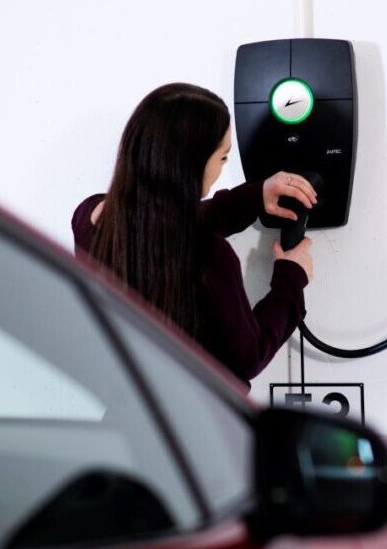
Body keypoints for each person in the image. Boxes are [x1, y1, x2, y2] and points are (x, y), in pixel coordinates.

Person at [71, 82, 316, 388]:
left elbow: (164, 221)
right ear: (192, 165)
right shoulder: (210, 257)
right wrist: (291, 279)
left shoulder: (90, 218)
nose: (223, 167)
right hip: (196, 415)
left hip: (128, 404)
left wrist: (254, 196)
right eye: (223, 158)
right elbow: (249, 356)